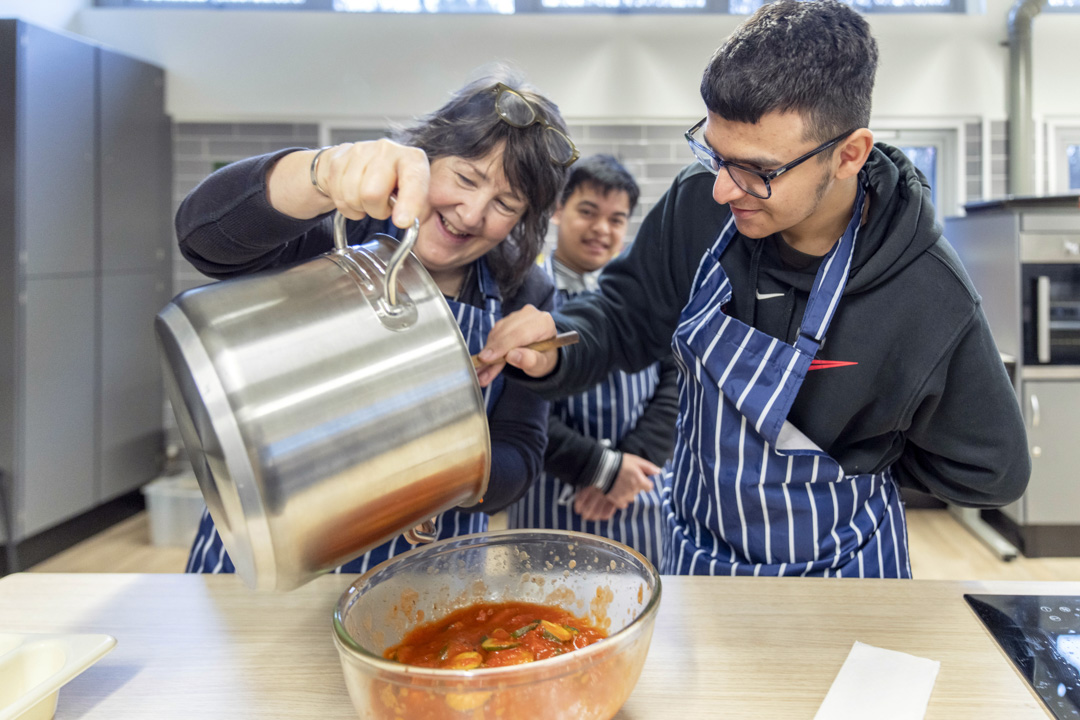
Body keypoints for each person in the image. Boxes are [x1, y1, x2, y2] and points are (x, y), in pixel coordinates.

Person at [476, 0, 1030, 578]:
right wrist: (559, 339)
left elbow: (992, 469)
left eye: (758, 171)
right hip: (696, 557)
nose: (722, 189)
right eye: (715, 155)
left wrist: (860, 454)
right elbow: (625, 317)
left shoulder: (926, 290)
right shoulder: (699, 204)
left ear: (848, 155)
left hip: (842, 574)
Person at [176, 73, 576, 574]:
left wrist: (428, 472)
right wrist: (319, 174)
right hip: (268, 560)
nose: (471, 213)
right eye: (466, 179)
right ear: (426, 155)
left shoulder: (524, 293)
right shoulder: (339, 233)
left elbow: (520, 455)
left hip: (424, 575)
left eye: (504, 204)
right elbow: (201, 237)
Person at [506, 155, 678, 568]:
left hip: (638, 494)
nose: (602, 229)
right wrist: (599, 467)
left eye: (617, 219)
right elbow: (512, 403)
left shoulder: (647, 297)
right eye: (588, 212)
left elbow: (676, 381)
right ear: (558, 210)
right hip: (551, 497)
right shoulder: (525, 295)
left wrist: (628, 468)